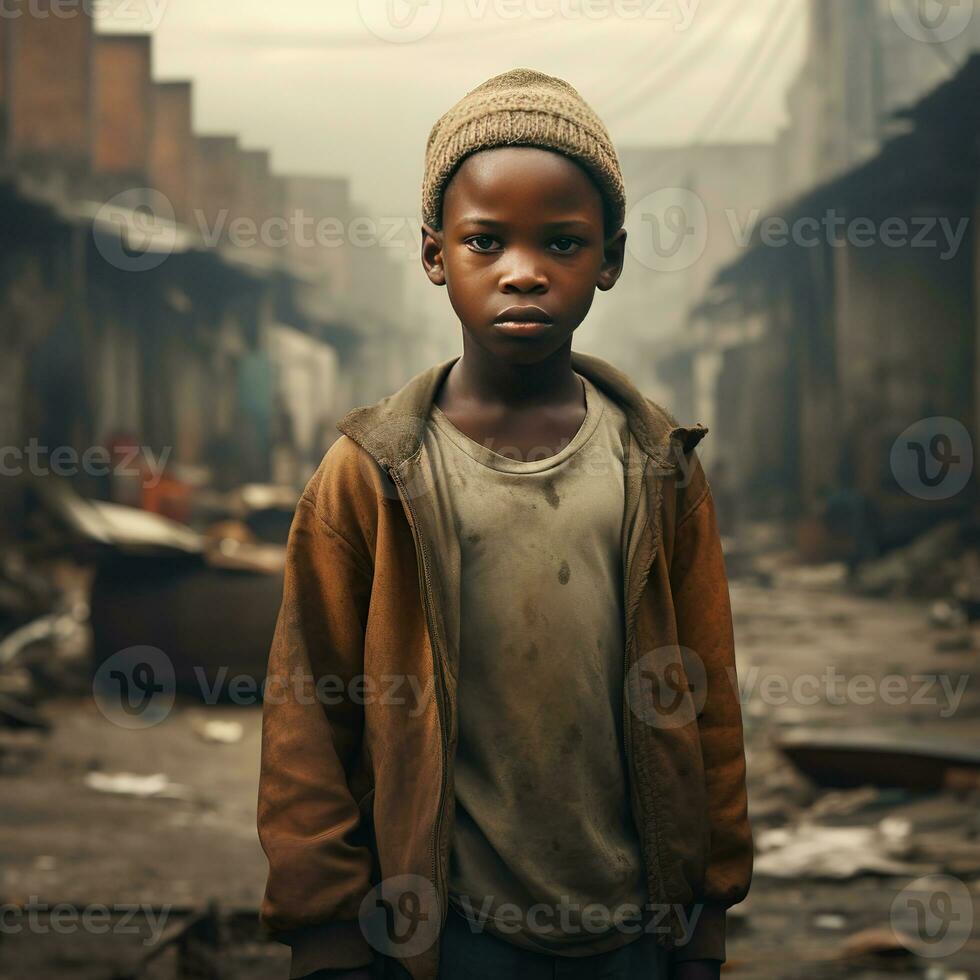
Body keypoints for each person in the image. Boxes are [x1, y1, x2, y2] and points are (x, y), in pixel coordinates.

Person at [257, 68, 752, 980]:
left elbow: (707, 697)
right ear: (434, 254)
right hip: (439, 934)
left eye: (561, 242)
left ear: (609, 258)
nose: (523, 272)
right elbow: (305, 709)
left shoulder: (657, 467)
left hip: (632, 930)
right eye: (486, 241)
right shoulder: (369, 475)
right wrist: (324, 927)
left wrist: (704, 912)